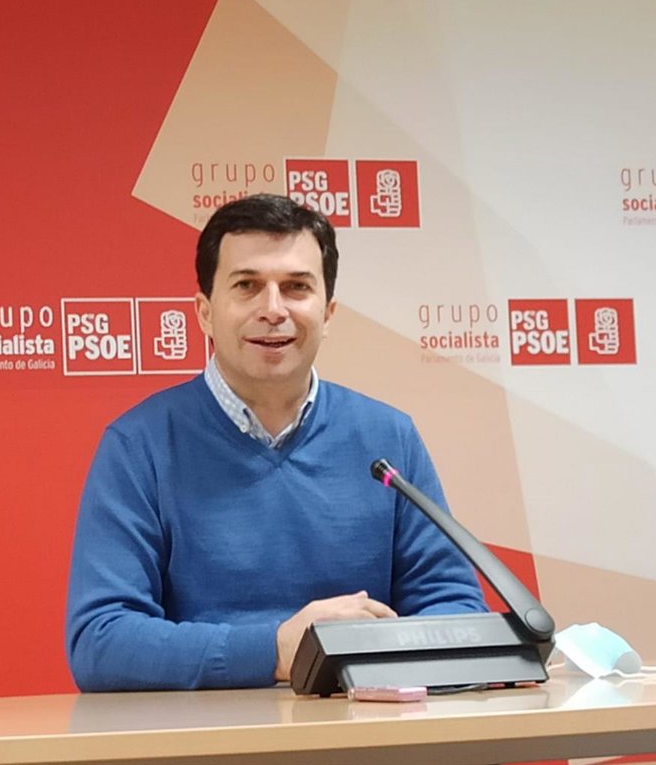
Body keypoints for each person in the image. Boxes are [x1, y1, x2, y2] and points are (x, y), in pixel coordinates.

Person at [64, 194, 486, 691]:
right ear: (204, 312)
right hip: (212, 732)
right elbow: (101, 642)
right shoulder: (139, 445)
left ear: (328, 313)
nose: (273, 310)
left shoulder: (388, 438)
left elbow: (455, 608)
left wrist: (370, 655)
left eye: (296, 287)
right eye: (247, 286)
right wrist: (276, 650)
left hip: (361, 724)